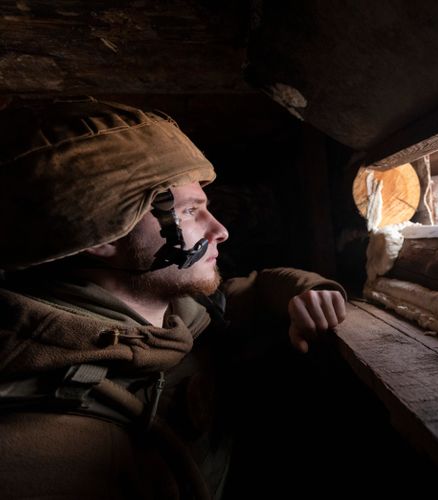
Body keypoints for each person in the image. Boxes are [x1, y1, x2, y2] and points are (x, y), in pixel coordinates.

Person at [0, 97, 347, 500]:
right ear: (105, 236)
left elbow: (239, 292)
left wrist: (306, 292)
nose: (219, 230)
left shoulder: (172, 308)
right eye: (188, 212)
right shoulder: (41, 447)